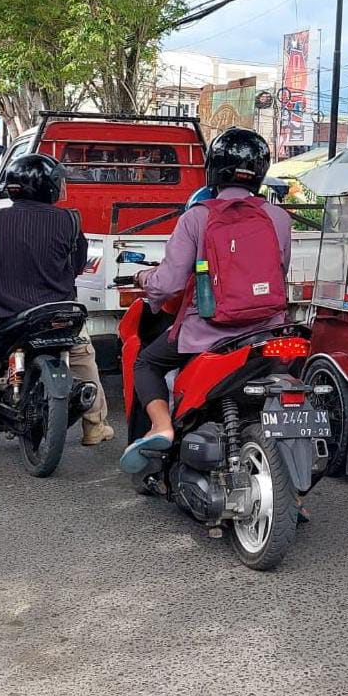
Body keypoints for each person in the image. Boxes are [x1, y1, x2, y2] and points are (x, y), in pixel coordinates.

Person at [119, 128, 291, 472]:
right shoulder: (279, 218)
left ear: (213, 168)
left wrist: (144, 279)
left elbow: (168, 283)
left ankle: (161, 426)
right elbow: (280, 271)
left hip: (209, 331)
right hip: (266, 331)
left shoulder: (196, 216)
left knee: (146, 363)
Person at [0, 154, 113, 446]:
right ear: (48, 187)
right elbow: (77, 265)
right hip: (58, 311)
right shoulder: (69, 220)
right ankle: (94, 425)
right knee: (82, 355)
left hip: (2, 308)